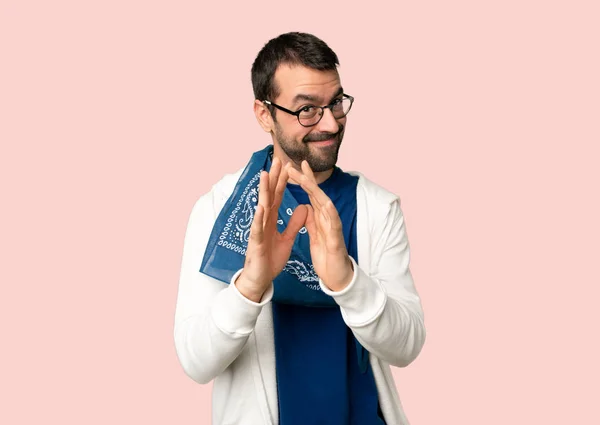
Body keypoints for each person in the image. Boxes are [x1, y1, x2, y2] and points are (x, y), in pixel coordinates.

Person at [174, 32, 426, 425]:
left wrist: (347, 281)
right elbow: (195, 361)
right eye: (307, 109)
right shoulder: (219, 209)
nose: (329, 123)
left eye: (336, 103)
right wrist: (250, 286)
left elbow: (407, 346)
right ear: (264, 114)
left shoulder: (376, 207)